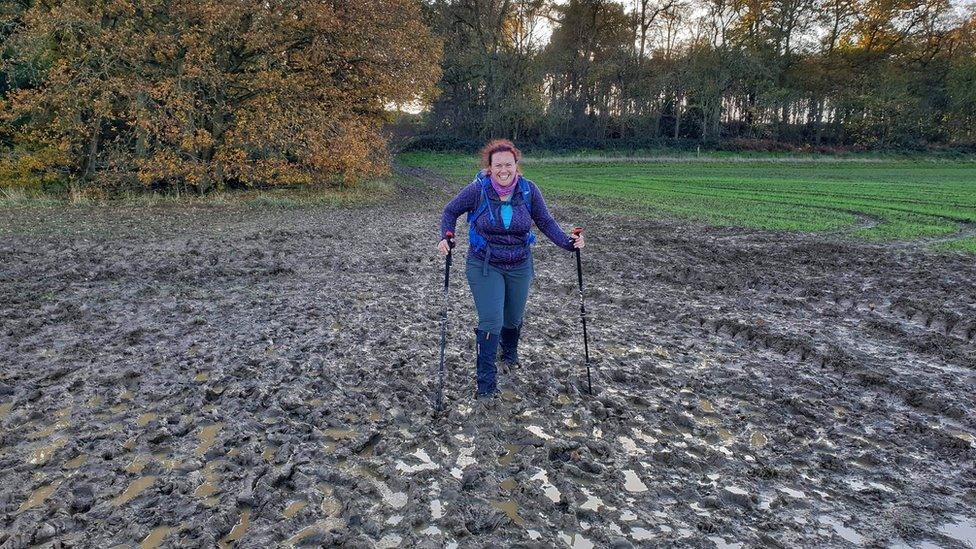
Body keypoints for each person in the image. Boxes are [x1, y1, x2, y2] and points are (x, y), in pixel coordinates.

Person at [438, 139, 585, 398]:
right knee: (491, 320)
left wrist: (569, 244)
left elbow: (545, 221)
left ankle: (509, 353)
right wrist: (446, 236)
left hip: (519, 263)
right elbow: (450, 211)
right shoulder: (478, 190)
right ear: (489, 167)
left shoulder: (529, 191)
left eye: (508, 164)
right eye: (498, 165)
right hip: (484, 264)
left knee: (513, 318)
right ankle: (486, 386)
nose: (503, 170)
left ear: (516, 165)